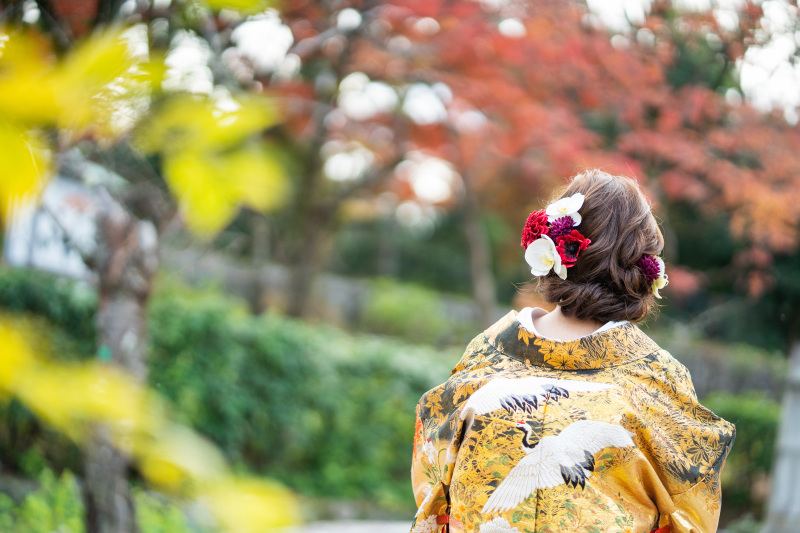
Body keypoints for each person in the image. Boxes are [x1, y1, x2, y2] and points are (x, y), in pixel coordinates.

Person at [409, 170, 735, 533]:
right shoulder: (656, 377)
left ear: (553, 250)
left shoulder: (486, 355)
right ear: (643, 264)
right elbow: (689, 509)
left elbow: (432, 482)